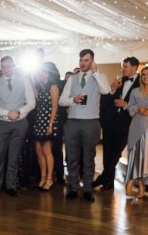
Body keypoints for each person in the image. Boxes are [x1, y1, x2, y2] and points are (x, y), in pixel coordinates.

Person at [59, 49, 110, 202]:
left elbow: (106, 91)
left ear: (92, 61)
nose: (82, 63)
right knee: (71, 158)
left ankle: (87, 188)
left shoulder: (100, 77)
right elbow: (62, 101)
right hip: (72, 122)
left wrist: (95, 73)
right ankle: (74, 187)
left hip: (91, 122)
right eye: (81, 60)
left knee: (89, 157)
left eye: (86, 60)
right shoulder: (72, 79)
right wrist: (72, 100)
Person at [0, 56, 36, 197]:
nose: (6, 69)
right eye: (4, 67)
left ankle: (11, 185)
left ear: (13, 66)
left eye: (9, 66)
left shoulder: (25, 81)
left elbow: (31, 103)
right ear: (1, 67)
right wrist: (7, 113)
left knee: (14, 155)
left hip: (20, 123)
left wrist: (19, 112)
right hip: (1, 123)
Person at [95, 57, 140, 191]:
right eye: (122, 66)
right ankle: (108, 183)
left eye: (125, 66)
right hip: (111, 123)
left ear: (134, 67)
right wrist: (113, 90)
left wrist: (125, 105)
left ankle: (102, 178)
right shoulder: (120, 80)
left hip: (128, 124)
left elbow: (142, 105)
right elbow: (108, 102)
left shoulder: (141, 84)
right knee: (107, 152)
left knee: (115, 153)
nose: (122, 69)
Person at [32, 62, 61, 191]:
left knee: (47, 150)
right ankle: (42, 177)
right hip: (38, 121)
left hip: (49, 122)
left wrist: (50, 124)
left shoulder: (53, 87)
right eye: (41, 72)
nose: (43, 74)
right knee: (38, 150)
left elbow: (55, 107)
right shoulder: (39, 87)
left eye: (45, 72)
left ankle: (49, 179)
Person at [123, 67, 148, 198]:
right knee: (134, 156)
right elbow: (130, 107)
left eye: (147, 75)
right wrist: (139, 108)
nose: (145, 77)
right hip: (137, 126)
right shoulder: (135, 91)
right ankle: (129, 183)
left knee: (146, 159)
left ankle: (142, 186)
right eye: (143, 75)